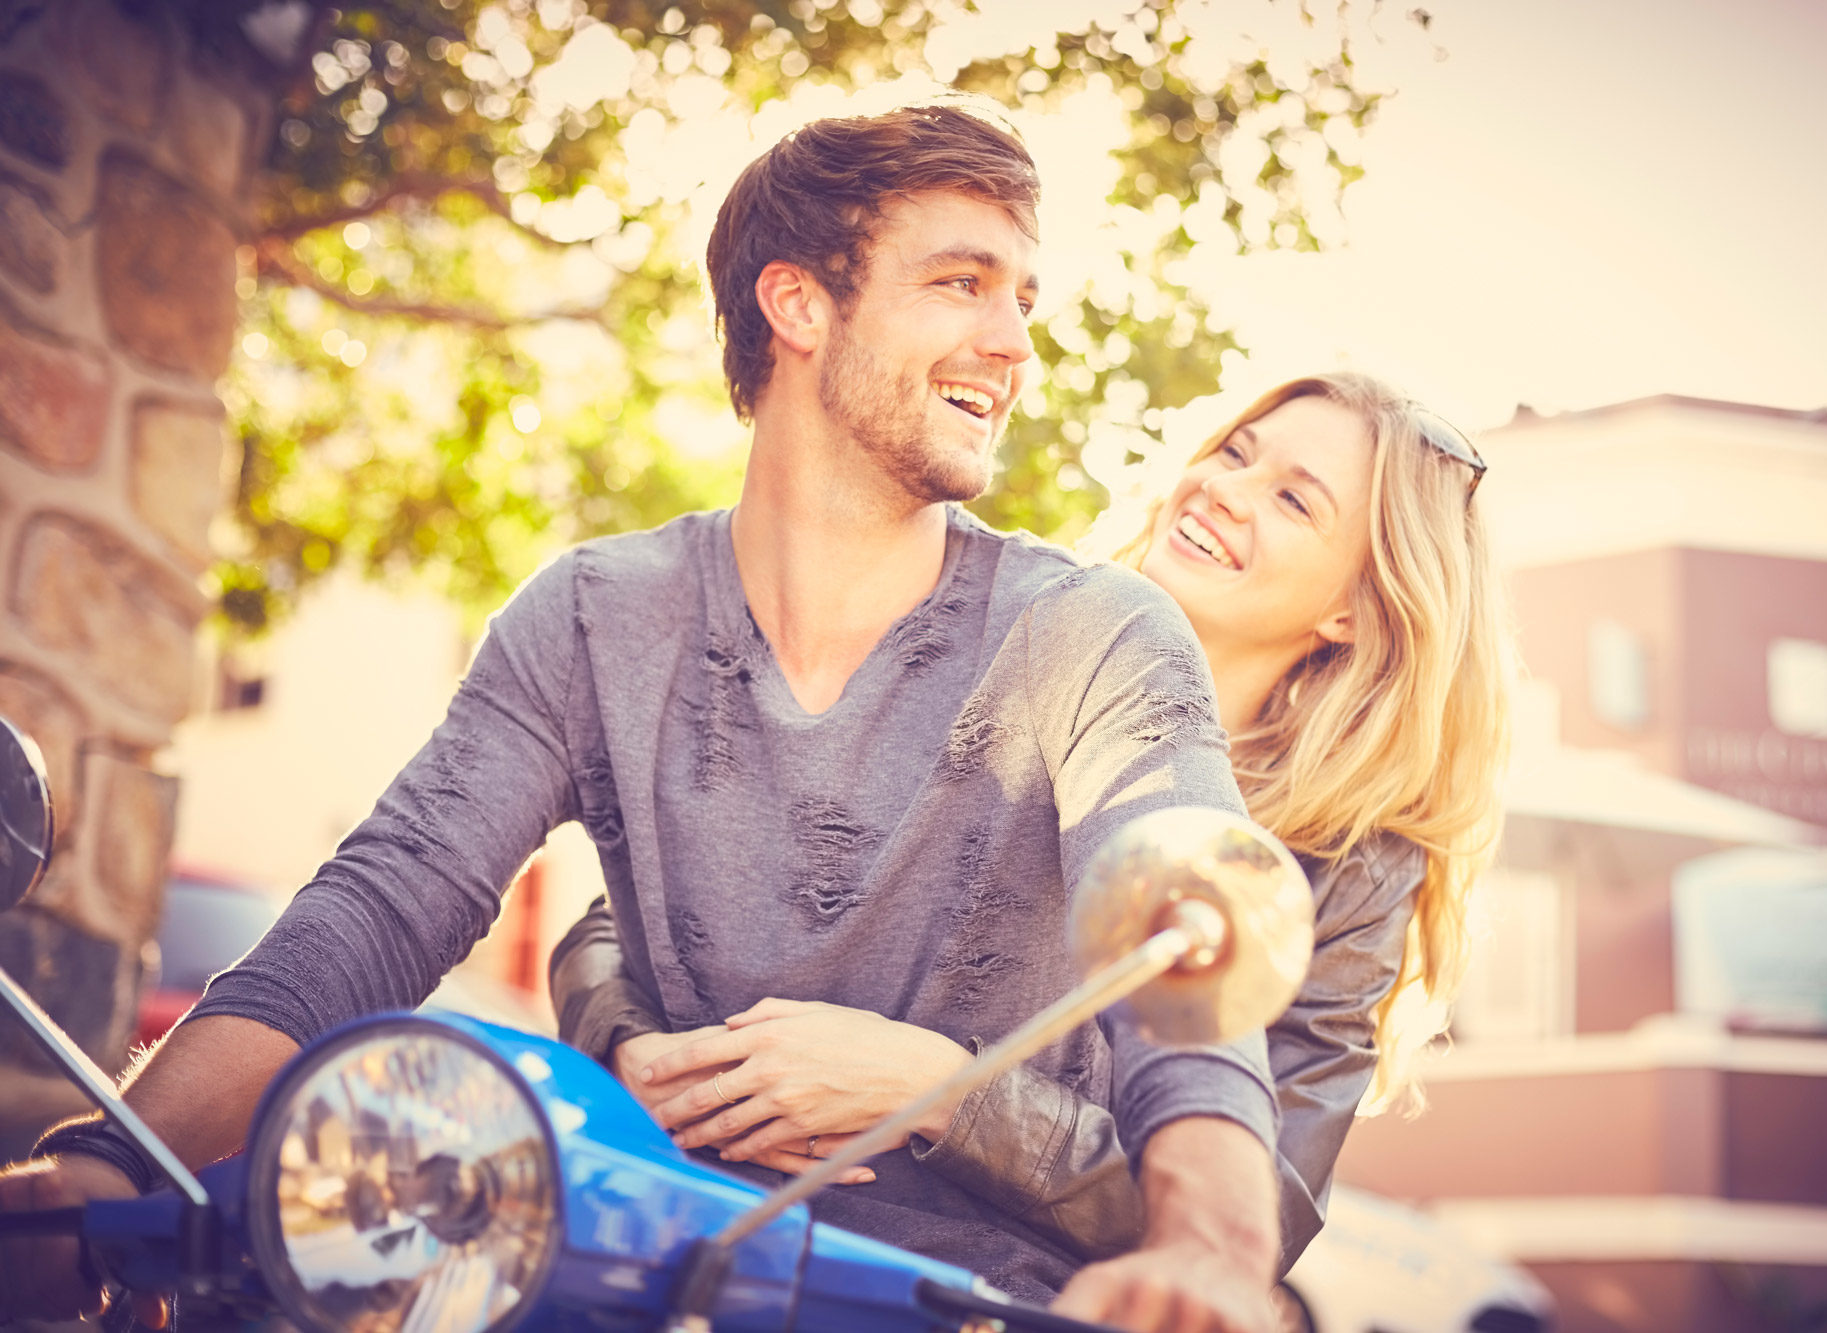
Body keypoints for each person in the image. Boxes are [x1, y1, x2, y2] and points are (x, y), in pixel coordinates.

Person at [0, 102, 1285, 1333]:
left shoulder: (1094, 632)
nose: (1013, 342)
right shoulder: (591, 615)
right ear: (797, 301)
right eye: (962, 282)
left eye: (1022, 298)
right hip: (630, 1281)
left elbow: (1182, 931)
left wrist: (1210, 1251)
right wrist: (117, 1164)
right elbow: (383, 903)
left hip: (964, 1306)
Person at [547, 370, 1511, 1298]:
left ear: (1354, 606)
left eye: (1296, 501)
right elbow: (630, 913)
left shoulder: (1353, 869)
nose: (1224, 490)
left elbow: (1259, 1212)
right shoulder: (981, 636)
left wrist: (942, 1095)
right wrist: (636, 1048)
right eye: (1235, 452)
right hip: (697, 1229)